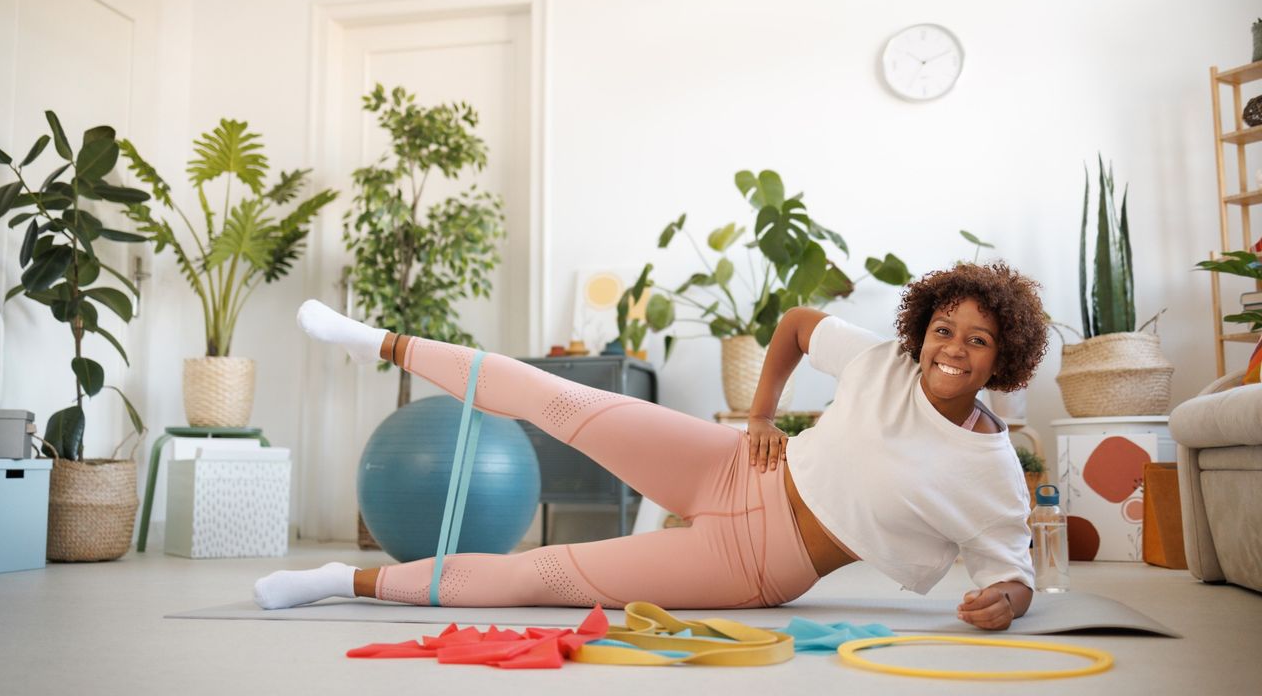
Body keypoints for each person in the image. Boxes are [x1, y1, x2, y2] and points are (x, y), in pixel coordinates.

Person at [254, 261, 1048, 631]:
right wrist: (763, 416)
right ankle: (377, 342)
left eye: (977, 340)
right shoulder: (888, 362)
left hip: (758, 563)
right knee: (556, 396)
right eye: (944, 328)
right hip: (733, 462)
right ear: (924, 328)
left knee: (539, 578)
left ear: (1001, 357)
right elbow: (800, 325)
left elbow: (1012, 568)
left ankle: (339, 580)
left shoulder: (991, 471)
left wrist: (1002, 603)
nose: (953, 348)